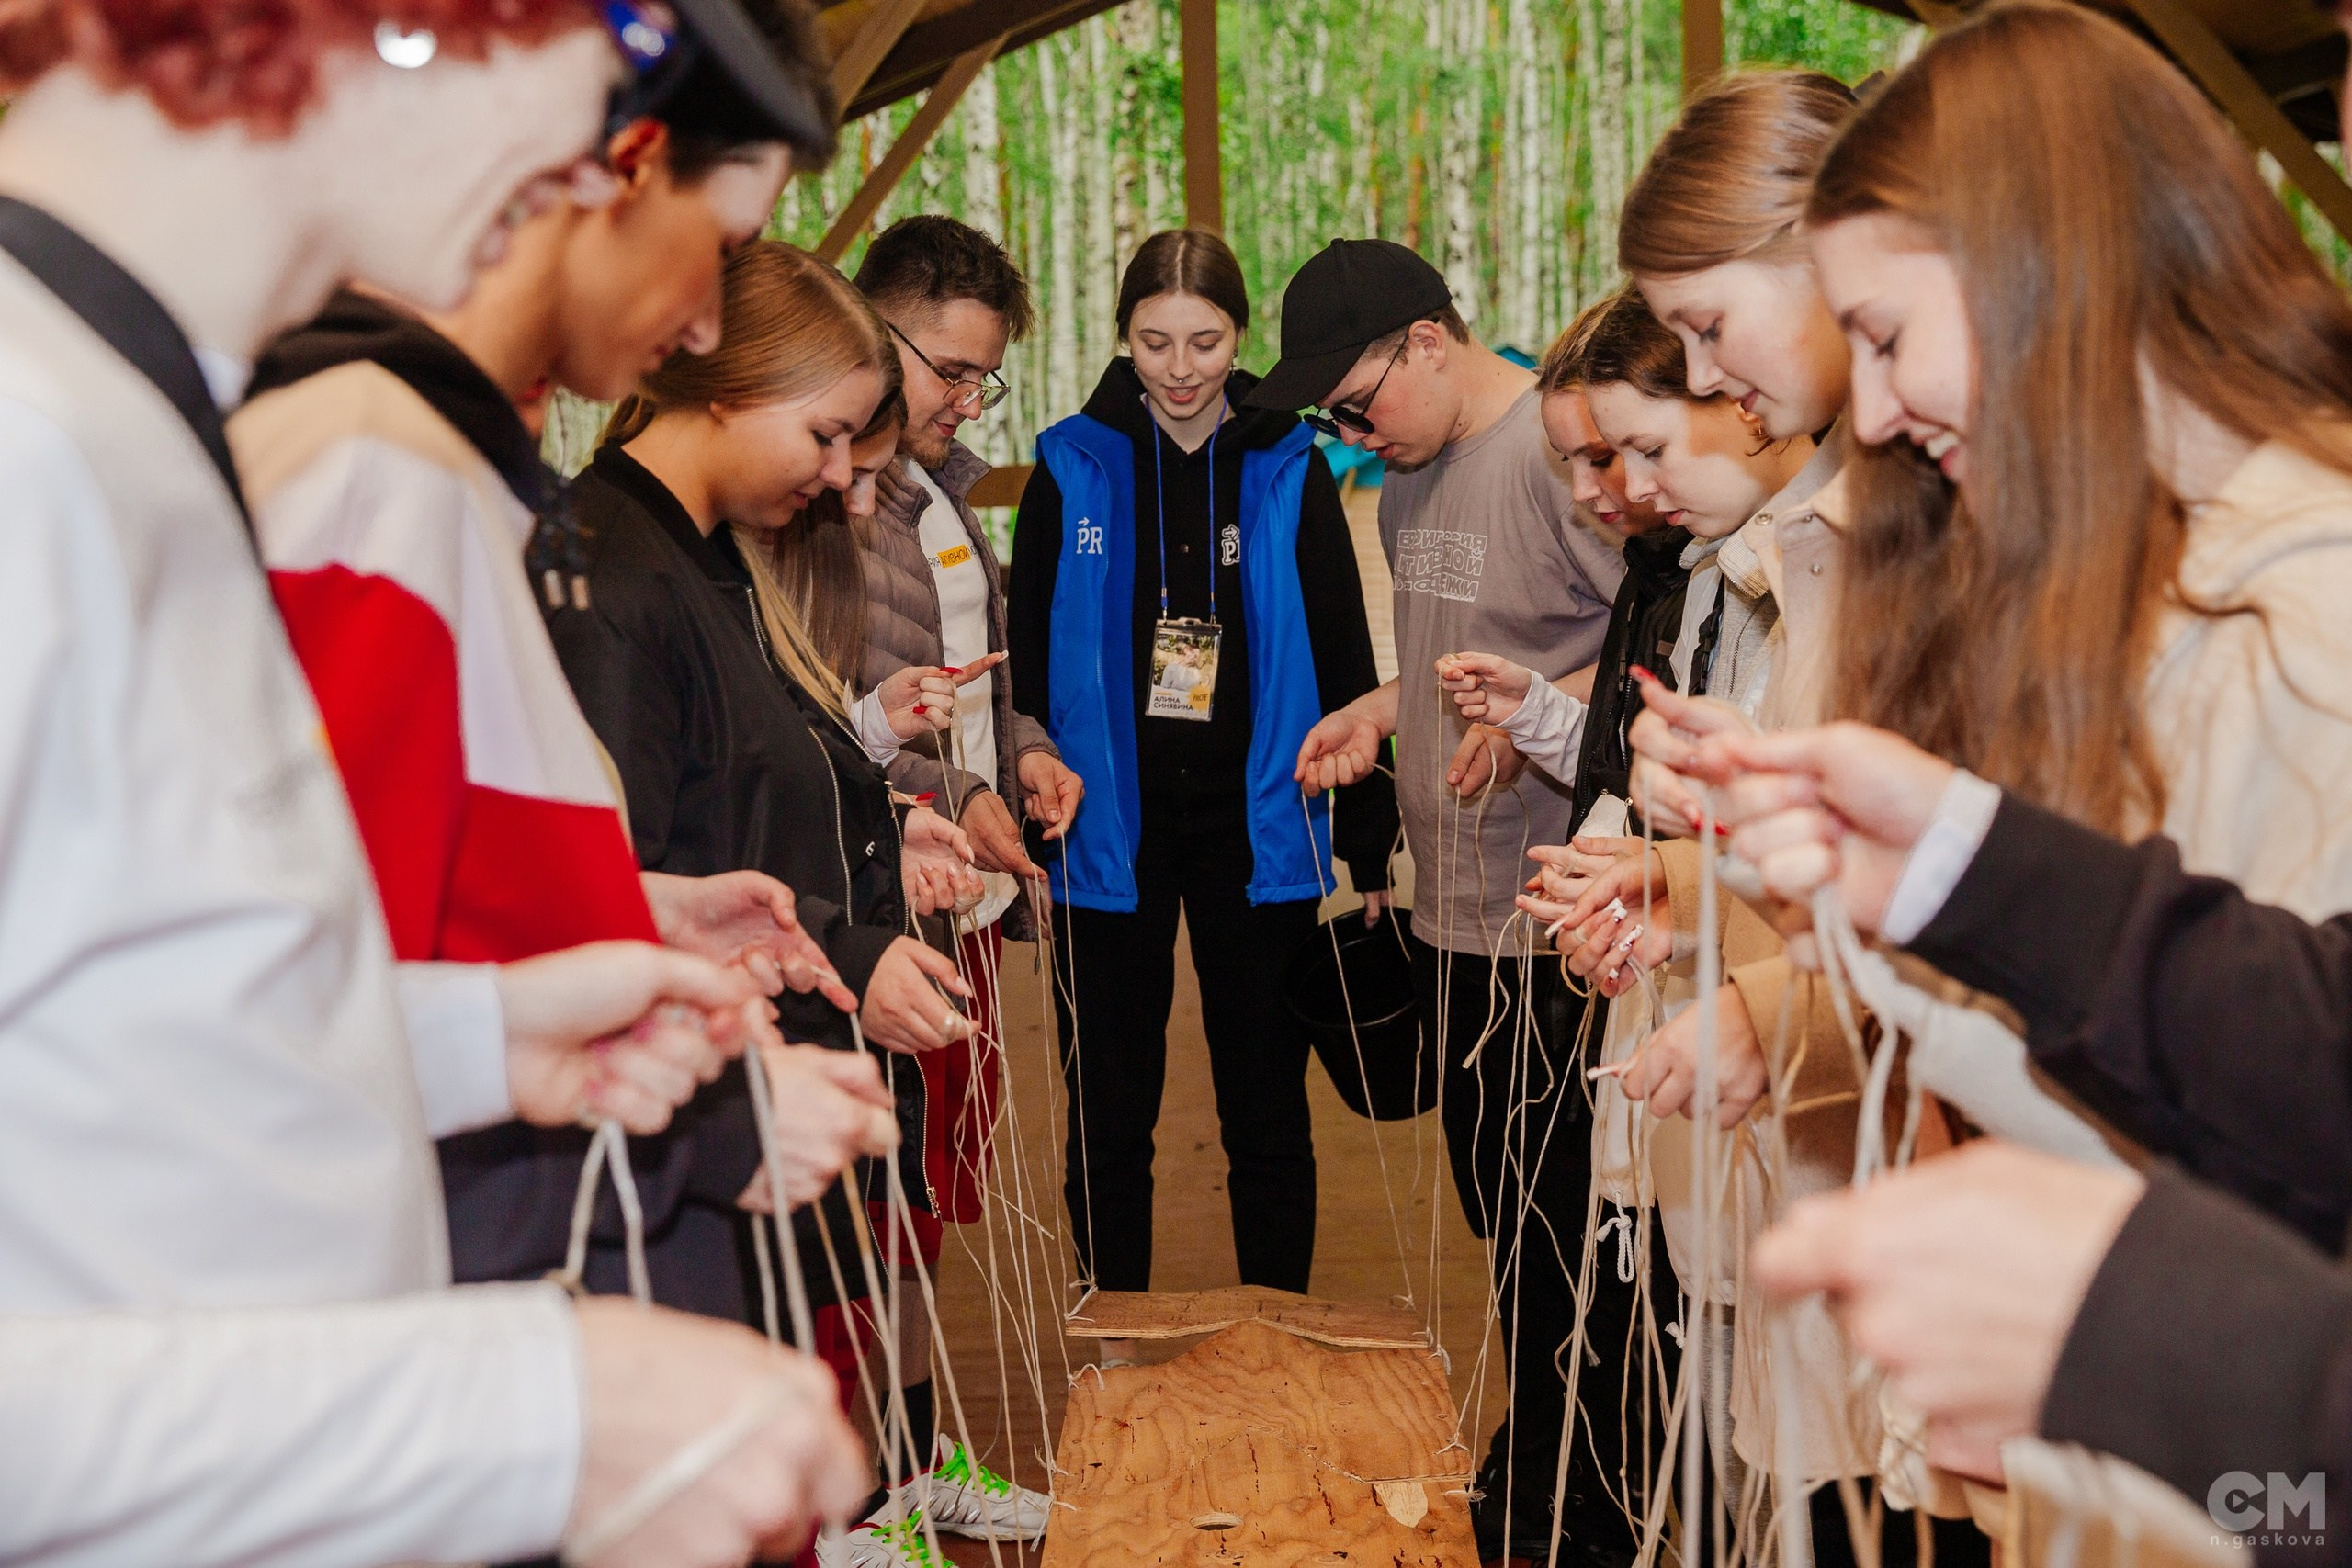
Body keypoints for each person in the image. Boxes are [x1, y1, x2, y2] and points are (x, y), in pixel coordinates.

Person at [0, 3, 865, 1563]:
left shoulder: (131, 415)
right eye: (588, 67)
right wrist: (534, 1411)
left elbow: (104, 1023)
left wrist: (462, 1038)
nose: (590, 156)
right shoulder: (34, 440)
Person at [233, 0, 902, 1323]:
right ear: (617, 168)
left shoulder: (464, 476)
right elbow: (287, 994)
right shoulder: (373, 471)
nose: (711, 323)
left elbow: (433, 876)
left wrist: (627, 899)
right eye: (718, 247)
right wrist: (721, 1116)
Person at [548, 241, 1044, 1554]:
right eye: (825, 435)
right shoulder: (614, 576)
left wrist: (877, 844)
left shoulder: (713, 558)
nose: (840, 477)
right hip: (691, 1137)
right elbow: (625, 880)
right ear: (728, 389)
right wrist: (843, 940)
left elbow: (770, 775)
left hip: (767, 1088)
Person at [1278, 237, 1625, 1564]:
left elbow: (1650, 662)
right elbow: (1454, 658)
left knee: (1571, 1236)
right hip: (1454, 919)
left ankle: (1581, 1489)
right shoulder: (1410, 481)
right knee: (1508, 1222)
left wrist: (1542, 719)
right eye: (1329, 418)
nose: (1347, 430)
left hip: (1561, 928)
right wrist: (1379, 711)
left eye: (1355, 401)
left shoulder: (1557, 453)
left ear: (1431, 339)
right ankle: (1543, 1449)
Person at [1008, 228, 1396, 1301]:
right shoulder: (1068, 464)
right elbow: (1024, 673)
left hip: (1258, 825)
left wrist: (1369, 845)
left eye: (1206, 340)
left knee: (1265, 1107)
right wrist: (1018, 810)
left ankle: (1279, 1327)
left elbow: (1348, 654)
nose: (1181, 368)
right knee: (1109, 1110)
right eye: (1156, 340)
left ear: (1239, 340)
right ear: (1124, 339)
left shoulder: (1289, 464)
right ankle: (1112, 1329)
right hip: (1103, 832)